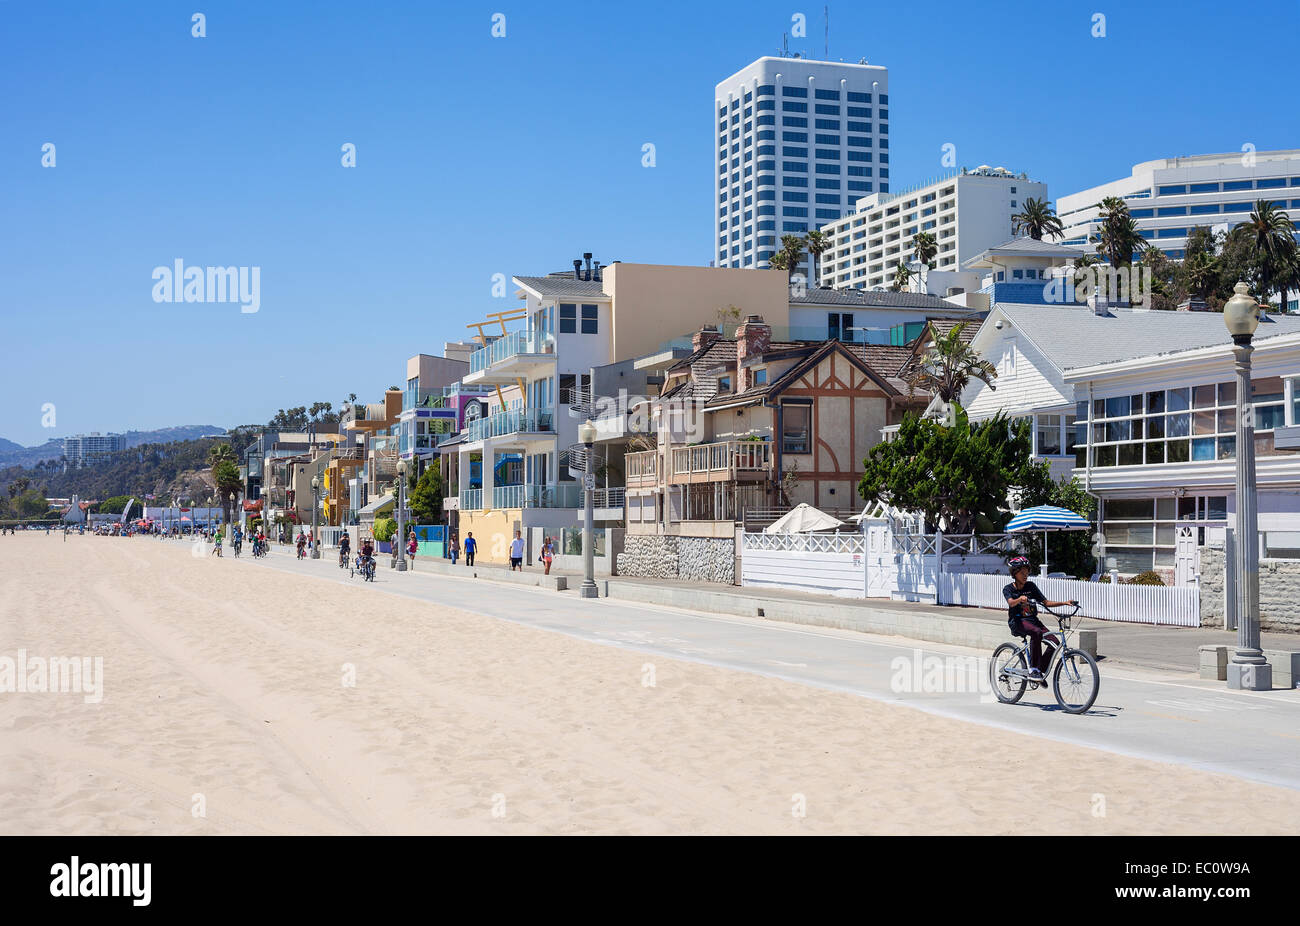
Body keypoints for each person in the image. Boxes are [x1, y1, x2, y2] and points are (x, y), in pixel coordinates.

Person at [1003, 555, 1076, 681]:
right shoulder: (1008, 588)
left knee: (1055, 642)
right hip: (1018, 622)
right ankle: (1034, 670)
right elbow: (1010, 603)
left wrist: (1064, 603)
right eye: (1022, 573)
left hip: (1033, 621)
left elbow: (1046, 602)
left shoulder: (1031, 586)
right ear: (1014, 573)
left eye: (1027, 573)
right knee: (1036, 633)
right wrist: (1019, 599)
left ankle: (1040, 671)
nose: (1025, 576)